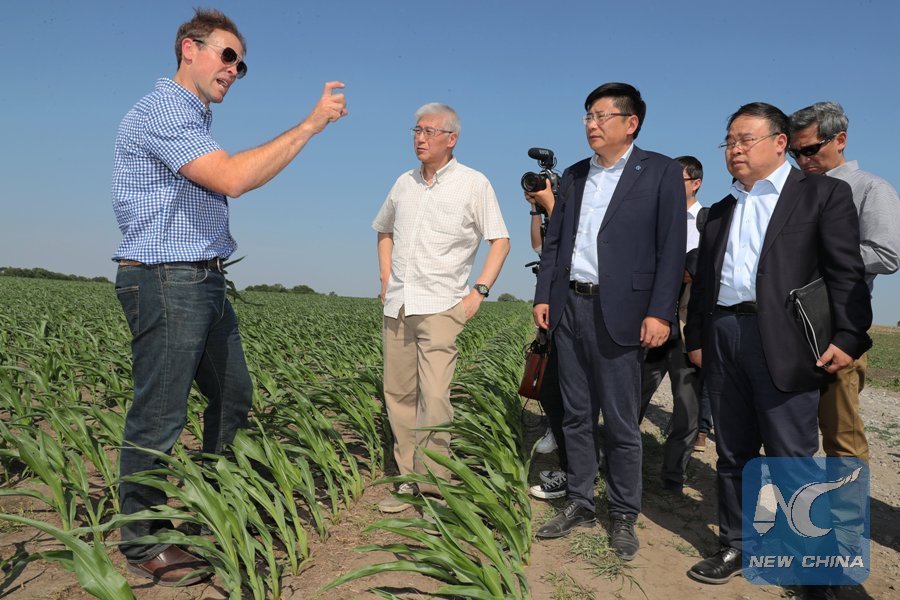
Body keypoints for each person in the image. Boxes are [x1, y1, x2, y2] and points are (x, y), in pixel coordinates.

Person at [111, 8, 347, 586]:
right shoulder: (165, 107)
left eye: (241, 64)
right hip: (168, 278)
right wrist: (309, 125)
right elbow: (233, 179)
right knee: (159, 412)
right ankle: (142, 540)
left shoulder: (193, 117)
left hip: (202, 279)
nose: (234, 70)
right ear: (188, 49)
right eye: (226, 56)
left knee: (233, 394)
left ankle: (211, 499)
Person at [684, 102, 872, 585]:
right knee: (734, 453)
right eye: (729, 141)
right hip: (726, 336)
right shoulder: (721, 211)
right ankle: (737, 545)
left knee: (792, 456)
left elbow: (845, 272)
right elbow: (705, 282)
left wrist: (850, 336)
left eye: (745, 139)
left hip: (786, 340)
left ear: (780, 143)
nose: (735, 149)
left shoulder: (821, 195)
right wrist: (699, 337)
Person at [531, 82, 686, 561]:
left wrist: (660, 310)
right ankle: (580, 501)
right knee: (575, 415)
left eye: (600, 116)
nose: (591, 125)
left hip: (623, 311)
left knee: (620, 421)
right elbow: (555, 241)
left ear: (630, 122)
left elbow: (671, 248)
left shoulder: (660, 172)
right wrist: (544, 295)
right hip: (570, 306)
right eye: (587, 117)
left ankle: (622, 512)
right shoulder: (575, 175)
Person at [373, 103, 510, 513]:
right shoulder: (403, 183)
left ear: (452, 139)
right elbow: (383, 229)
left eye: (430, 131)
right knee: (398, 394)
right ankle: (406, 481)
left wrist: (479, 291)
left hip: (442, 304)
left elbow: (500, 240)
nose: (420, 138)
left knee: (434, 397)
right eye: (416, 130)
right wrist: (385, 279)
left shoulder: (474, 184)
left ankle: (433, 487)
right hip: (398, 304)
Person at [789, 102, 900, 463]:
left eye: (810, 150)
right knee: (786, 430)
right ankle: (796, 515)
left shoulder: (870, 189)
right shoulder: (792, 191)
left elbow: (887, 254)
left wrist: (820, 254)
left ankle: (846, 521)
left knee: (841, 437)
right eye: (794, 153)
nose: (802, 160)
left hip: (836, 327)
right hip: (787, 328)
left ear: (840, 140)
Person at [638, 155, 706, 494]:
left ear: (695, 183)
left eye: (676, 180)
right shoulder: (652, 218)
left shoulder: (710, 221)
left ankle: (673, 476)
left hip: (686, 324)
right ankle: (620, 459)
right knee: (634, 394)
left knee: (687, 405)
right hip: (651, 318)